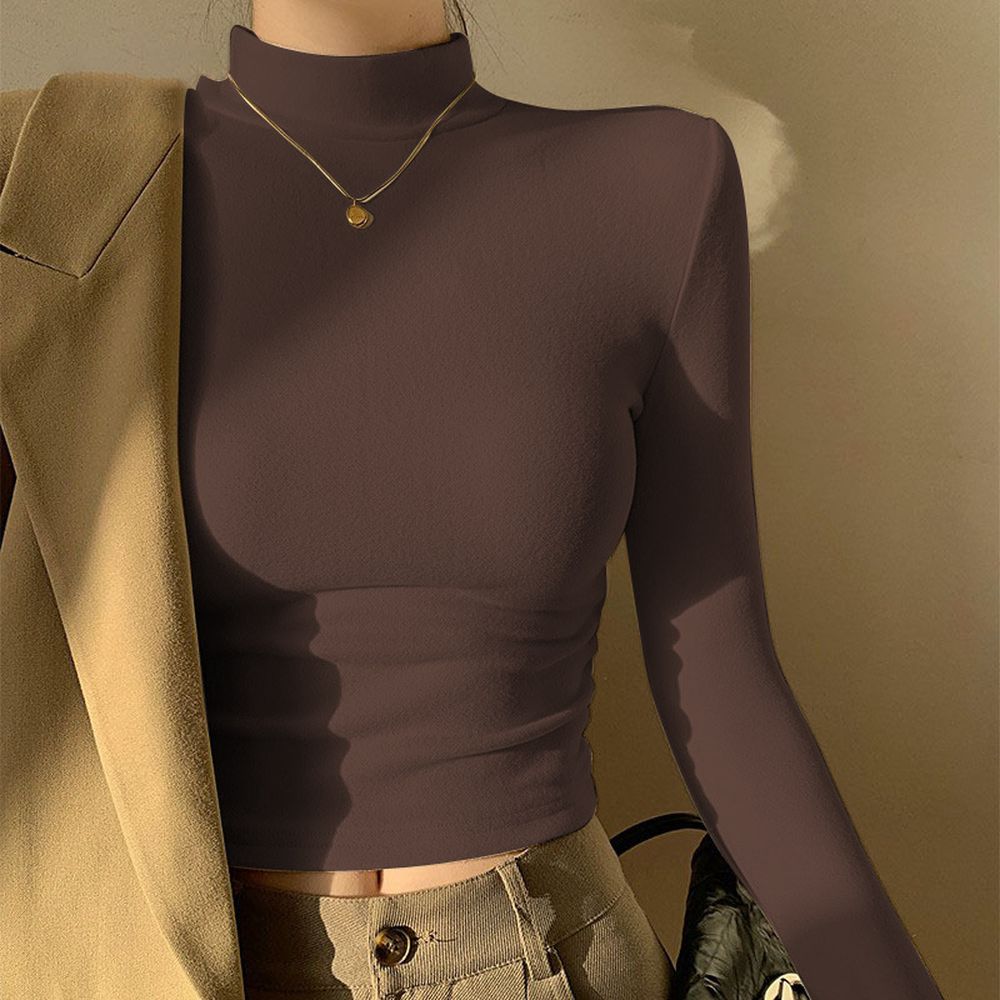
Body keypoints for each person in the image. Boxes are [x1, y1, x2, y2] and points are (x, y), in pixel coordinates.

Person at [0, 1, 945, 998]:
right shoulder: (49, 189)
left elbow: (720, 671)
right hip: (173, 962)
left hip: (549, 956)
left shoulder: (655, 182)